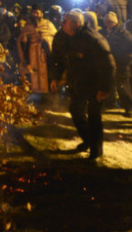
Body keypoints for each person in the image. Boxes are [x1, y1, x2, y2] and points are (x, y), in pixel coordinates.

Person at [51, 10, 116, 161]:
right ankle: (88, 140)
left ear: (77, 24)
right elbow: (57, 60)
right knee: (76, 111)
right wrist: (55, 77)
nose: (62, 23)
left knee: (94, 116)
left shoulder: (92, 39)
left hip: (94, 84)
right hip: (76, 82)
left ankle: (96, 150)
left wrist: (104, 88)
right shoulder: (61, 37)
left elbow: (108, 65)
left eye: (65, 21)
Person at [104, 12, 132, 118]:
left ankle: (129, 109)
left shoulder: (123, 33)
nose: (107, 23)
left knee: (123, 87)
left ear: (112, 22)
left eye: (108, 21)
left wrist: (126, 61)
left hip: (121, 65)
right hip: (111, 64)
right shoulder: (108, 32)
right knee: (111, 85)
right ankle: (110, 103)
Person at [17, 8, 55, 97]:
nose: (35, 15)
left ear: (42, 14)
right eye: (33, 13)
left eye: (37, 13)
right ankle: (34, 96)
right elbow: (21, 39)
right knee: (32, 74)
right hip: (31, 54)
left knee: (45, 74)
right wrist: (24, 38)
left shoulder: (48, 24)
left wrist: (44, 39)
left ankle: (46, 96)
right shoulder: (28, 25)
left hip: (44, 54)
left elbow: (54, 36)